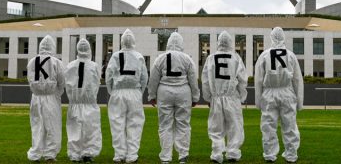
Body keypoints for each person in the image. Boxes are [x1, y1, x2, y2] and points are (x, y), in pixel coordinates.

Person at [148, 32, 200, 164]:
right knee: (183, 124)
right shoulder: (187, 58)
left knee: (165, 125)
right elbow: (193, 79)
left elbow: (153, 78)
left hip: (164, 92)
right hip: (183, 92)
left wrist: (152, 95)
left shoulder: (160, 58)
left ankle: (166, 157)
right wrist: (195, 97)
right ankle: (183, 154)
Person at [255, 26, 303, 163]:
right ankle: (291, 154)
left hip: (269, 92)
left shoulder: (264, 55)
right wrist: (299, 102)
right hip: (287, 92)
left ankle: (270, 155)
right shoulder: (290, 55)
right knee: (290, 124)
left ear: (271, 38)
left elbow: (258, 79)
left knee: (268, 125)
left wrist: (258, 101)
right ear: (284, 38)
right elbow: (297, 80)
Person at [201, 31, 248, 164]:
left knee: (216, 127)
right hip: (232, 97)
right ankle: (232, 153)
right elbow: (242, 79)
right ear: (230, 42)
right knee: (235, 126)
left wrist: (208, 98)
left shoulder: (211, 58)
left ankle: (216, 154)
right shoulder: (235, 58)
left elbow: (205, 80)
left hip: (216, 97)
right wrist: (242, 95)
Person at [105, 29, 148, 163]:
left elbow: (108, 75)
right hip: (134, 91)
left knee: (117, 123)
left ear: (122, 41)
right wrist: (140, 91)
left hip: (118, 91)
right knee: (135, 124)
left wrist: (111, 91)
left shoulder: (115, 56)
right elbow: (144, 77)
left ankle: (119, 154)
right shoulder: (139, 56)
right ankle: (132, 155)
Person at [27, 35, 65, 162]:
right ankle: (50, 154)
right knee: (52, 126)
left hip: (36, 97)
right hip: (50, 97)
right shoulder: (56, 62)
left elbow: (30, 79)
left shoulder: (32, 61)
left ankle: (35, 153)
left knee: (37, 126)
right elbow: (61, 81)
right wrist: (57, 94)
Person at [65, 38, 102, 163]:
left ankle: (74, 154)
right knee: (90, 129)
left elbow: (67, 85)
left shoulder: (70, 66)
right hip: (89, 102)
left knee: (74, 129)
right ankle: (88, 153)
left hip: (75, 102)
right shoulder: (94, 66)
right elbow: (96, 82)